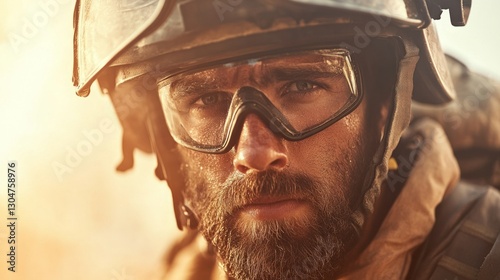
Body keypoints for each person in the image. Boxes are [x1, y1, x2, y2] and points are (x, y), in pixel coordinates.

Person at [72, 0, 500, 279]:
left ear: (385, 106)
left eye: (300, 85)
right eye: (206, 99)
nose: (254, 154)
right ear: (163, 136)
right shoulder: (187, 271)